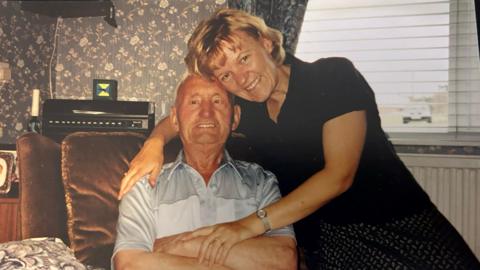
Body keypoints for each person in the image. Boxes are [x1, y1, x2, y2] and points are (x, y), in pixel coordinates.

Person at [118, 8, 480, 269]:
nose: (241, 79)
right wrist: (154, 142)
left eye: (243, 58)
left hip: (397, 222)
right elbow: (193, 116)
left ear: (265, 41)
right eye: (226, 75)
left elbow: (339, 175)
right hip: (328, 240)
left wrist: (245, 227)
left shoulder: (332, 77)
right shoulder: (251, 110)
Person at [113, 74, 297, 270]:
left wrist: (181, 245)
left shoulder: (261, 182)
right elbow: (129, 265)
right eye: (194, 102)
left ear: (235, 118)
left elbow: (284, 260)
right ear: (175, 119)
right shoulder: (144, 184)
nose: (206, 112)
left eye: (217, 101)